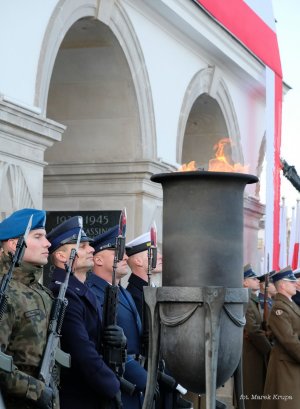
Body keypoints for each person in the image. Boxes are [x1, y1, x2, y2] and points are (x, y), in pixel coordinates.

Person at [46, 216, 125, 409]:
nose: (91, 249)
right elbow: (82, 351)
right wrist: (111, 386)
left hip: (91, 391)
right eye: (82, 246)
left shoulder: (81, 291)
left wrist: (120, 341)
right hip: (77, 396)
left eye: (89, 245)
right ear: (62, 256)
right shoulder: (63, 293)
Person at [126, 233, 193, 409]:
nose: (162, 256)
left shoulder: (155, 290)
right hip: (150, 376)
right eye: (154, 251)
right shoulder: (134, 295)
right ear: (139, 261)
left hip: (166, 373)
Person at [0, 208, 58, 409]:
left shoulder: (41, 292)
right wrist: (36, 390)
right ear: (15, 244)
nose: (48, 243)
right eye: (38, 236)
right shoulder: (4, 292)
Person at [86, 225, 148, 409]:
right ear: (97, 259)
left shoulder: (124, 292)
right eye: (117, 252)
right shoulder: (92, 293)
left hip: (133, 380)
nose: (126, 257)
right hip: (115, 379)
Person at [262, 266, 300, 409]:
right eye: (292, 282)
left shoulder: (290, 305)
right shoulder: (280, 308)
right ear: (282, 285)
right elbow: (289, 340)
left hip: (292, 363)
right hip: (285, 365)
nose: (295, 284)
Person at [241, 264, 272, 409]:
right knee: (251, 392)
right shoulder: (246, 300)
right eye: (253, 278)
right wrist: (269, 349)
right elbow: (252, 329)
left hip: (257, 351)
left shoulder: (252, 299)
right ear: (244, 282)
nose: (257, 281)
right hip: (250, 353)